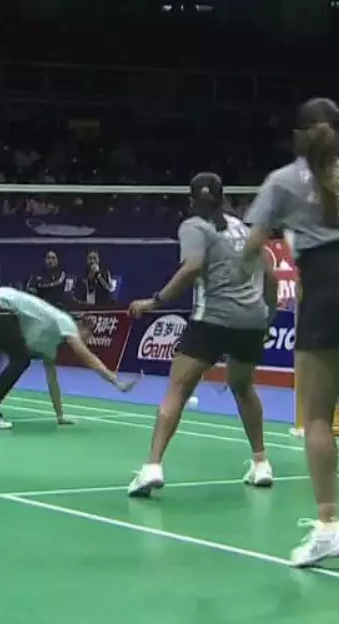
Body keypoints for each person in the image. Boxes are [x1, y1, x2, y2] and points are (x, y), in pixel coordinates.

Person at [241, 98, 339, 568]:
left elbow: (253, 245)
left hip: (324, 292)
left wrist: (245, 268)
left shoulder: (282, 181)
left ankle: (329, 524)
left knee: (316, 415)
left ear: (298, 135)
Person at [126, 172, 278, 497]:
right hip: (251, 322)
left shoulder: (194, 226)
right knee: (243, 387)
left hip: (212, 319)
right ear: (223, 198)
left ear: (191, 200)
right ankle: (261, 463)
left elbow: (193, 266)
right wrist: (268, 316)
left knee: (178, 389)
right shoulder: (242, 228)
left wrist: (155, 301)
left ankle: (152, 467)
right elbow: (271, 275)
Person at [0, 287, 137, 429]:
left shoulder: (51, 341)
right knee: (21, 359)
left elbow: (52, 379)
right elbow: (88, 357)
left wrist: (60, 415)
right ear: (81, 327)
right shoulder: (67, 323)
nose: (87, 339)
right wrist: (116, 381)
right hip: (0, 305)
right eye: (88, 334)